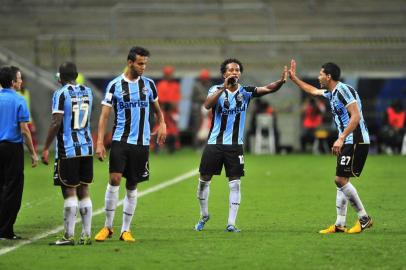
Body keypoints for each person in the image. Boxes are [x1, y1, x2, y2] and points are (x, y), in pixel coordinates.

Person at [194, 58, 287, 232]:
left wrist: (281, 82)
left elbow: (268, 88)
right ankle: (204, 215)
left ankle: (231, 223)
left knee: (235, 183)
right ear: (224, 74)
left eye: (237, 70)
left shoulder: (245, 92)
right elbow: (207, 105)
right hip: (215, 143)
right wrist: (223, 87)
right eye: (230, 70)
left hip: (235, 145)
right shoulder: (215, 89)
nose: (234, 73)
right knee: (204, 181)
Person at [288, 59, 373, 234]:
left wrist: (341, 137)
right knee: (341, 181)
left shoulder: (344, 90)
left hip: (355, 139)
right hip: (347, 140)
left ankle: (364, 218)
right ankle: (340, 224)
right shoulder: (331, 93)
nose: (318, 77)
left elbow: (355, 116)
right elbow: (312, 90)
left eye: (320, 74)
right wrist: (294, 78)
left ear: (328, 76)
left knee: (340, 180)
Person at [94, 46, 166, 242]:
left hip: (142, 143)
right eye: (140, 63)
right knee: (115, 180)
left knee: (132, 184)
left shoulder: (149, 85)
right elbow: (104, 116)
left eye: (145, 64)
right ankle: (107, 226)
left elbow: (157, 110)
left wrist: (163, 124)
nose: (143, 67)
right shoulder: (115, 85)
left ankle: (125, 230)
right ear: (130, 63)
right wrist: (100, 142)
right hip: (120, 140)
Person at [41, 62, 94, 245]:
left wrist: (46, 147)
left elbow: (56, 122)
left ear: (60, 78)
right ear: (77, 75)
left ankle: (68, 236)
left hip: (68, 149)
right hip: (87, 147)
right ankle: (86, 235)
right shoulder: (88, 91)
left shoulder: (61, 93)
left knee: (69, 191)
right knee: (84, 190)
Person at [0, 66, 38, 240]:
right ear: (13, 82)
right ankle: (6, 230)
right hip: (12, 149)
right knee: (13, 189)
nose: (21, 81)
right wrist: (32, 153)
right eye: (19, 78)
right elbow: (24, 130)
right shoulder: (19, 100)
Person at [190, 69, 212, 148]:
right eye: (203, 78)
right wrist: (203, 98)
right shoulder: (196, 86)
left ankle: (207, 145)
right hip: (198, 109)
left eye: (206, 78)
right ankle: (196, 145)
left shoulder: (210, 85)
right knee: (197, 127)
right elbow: (193, 98)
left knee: (208, 127)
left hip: (208, 109)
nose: (205, 80)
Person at [17, 76, 38, 151]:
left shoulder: (26, 92)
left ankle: (34, 152)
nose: (22, 83)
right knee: (19, 138)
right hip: (20, 120)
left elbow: (28, 107)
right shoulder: (16, 93)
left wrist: (33, 120)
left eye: (23, 81)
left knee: (33, 137)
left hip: (29, 119)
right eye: (20, 81)